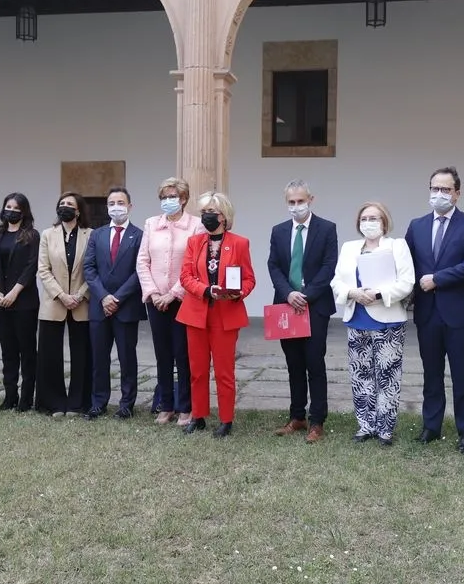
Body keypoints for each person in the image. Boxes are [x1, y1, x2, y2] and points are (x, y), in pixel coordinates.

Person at [404, 166, 464, 453]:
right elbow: (406, 265)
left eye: (445, 189)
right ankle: (431, 426)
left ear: (457, 193)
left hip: (459, 314)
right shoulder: (416, 226)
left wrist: (437, 279)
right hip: (427, 314)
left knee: (463, 375)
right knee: (432, 374)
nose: (439, 194)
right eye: (434, 188)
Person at [331, 202, 414, 446]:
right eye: (364, 218)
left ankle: (385, 429)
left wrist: (377, 294)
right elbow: (337, 281)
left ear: (384, 222)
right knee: (361, 376)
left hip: (388, 321)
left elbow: (406, 282)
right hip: (357, 318)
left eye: (374, 218)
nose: (368, 222)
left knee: (387, 377)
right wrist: (352, 293)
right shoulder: (349, 248)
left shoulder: (397, 246)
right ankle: (365, 425)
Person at [177, 191, 255, 437]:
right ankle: (198, 416)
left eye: (211, 212)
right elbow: (185, 276)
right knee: (197, 370)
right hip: (196, 314)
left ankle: (226, 419)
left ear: (224, 216)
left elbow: (249, 279)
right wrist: (206, 290)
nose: (206, 217)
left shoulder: (240, 243)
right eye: (203, 212)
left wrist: (238, 293)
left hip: (225, 315)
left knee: (224, 371)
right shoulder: (194, 242)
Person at [266, 180, 338, 443]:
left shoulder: (327, 229)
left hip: (315, 307)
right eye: (291, 202)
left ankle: (317, 420)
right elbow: (274, 265)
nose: (296, 206)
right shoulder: (279, 231)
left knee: (314, 363)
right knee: (294, 363)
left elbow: (329, 266)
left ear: (311, 199)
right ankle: (297, 416)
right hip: (286, 307)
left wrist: (307, 295)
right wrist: (288, 293)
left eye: (300, 201)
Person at [137, 177, 204, 426]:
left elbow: (194, 264)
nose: (168, 201)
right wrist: (154, 293)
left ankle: (185, 406)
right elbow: (142, 261)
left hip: (182, 299)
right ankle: (166, 405)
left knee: (183, 354)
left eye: (172, 197)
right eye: (164, 197)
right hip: (155, 301)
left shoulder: (196, 226)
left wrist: (173, 294)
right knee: (162, 354)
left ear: (184, 199)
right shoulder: (151, 224)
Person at [82, 187, 147, 420]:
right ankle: (98, 403)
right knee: (99, 358)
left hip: (126, 307)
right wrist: (103, 296)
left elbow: (140, 271)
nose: (116, 207)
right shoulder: (97, 235)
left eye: (120, 202)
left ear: (130, 206)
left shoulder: (139, 235)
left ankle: (127, 404)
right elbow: (89, 268)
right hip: (100, 307)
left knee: (127, 358)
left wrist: (117, 297)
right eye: (111, 203)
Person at [36, 192, 93, 417]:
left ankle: (79, 403)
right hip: (54, 302)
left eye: (70, 204)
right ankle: (53, 403)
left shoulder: (91, 235)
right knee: (49, 354)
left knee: (82, 355)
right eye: (62, 203)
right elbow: (43, 269)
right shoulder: (47, 235)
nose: (65, 207)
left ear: (78, 211)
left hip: (81, 302)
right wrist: (61, 295)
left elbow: (93, 268)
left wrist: (79, 295)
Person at [0, 192, 41, 412]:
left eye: (16, 208)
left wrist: (14, 292)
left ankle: (26, 398)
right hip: (0, 301)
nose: (11, 211)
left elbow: (31, 267)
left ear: (24, 212)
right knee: (8, 351)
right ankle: (10, 395)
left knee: (27, 351)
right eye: (8, 207)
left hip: (24, 302)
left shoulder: (32, 235)